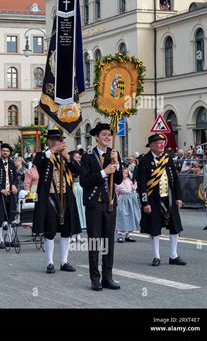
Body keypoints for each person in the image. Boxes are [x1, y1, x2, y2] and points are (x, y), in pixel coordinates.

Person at [80, 122, 123, 291]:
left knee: (108, 242)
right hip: (94, 204)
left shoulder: (114, 154)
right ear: (97, 137)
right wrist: (104, 172)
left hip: (110, 203)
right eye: (104, 134)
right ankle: (94, 278)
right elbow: (84, 182)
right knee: (95, 242)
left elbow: (119, 180)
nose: (107, 137)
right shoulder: (88, 157)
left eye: (109, 135)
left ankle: (107, 276)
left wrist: (117, 164)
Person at [33, 129, 82, 273]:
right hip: (49, 197)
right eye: (53, 140)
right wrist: (53, 150)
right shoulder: (44, 156)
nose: (57, 142)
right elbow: (38, 161)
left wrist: (67, 157)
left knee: (67, 230)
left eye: (58, 140)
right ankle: (49, 262)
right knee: (50, 229)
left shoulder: (66, 157)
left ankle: (64, 261)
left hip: (66, 196)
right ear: (48, 141)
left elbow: (79, 170)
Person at [137, 134, 186, 267]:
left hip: (169, 198)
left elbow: (175, 180)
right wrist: (145, 202)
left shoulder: (167, 159)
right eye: (159, 143)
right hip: (153, 199)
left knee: (175, 227)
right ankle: (156, 256)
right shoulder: (144, 161)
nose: (162, 145)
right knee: (154, 227)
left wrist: (179, 198)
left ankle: (173, 255)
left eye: (163, 142)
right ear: (151, 145)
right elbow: (141, 184)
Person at [0, 143, 18, 249]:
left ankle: (9, 238)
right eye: (3, 150)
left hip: (10, 194)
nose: (5, 152)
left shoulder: (12, 163)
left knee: (10, 217)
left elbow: (15, 177)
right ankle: (0, 240)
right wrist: (0, 189)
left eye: (7, 151)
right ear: (1, 152)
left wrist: (14, 185)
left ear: (10, 153)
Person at [115, 167, 140, 243]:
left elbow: (132, 188)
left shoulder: (129, 181)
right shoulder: (118, 182)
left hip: (130, 199)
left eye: (127, 173)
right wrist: (116, 201)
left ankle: (127, 235)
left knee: (130, 217)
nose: (126, 174)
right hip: (122, 200)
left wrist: (135, 185)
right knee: (122, 217)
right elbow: (116, 192)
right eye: (124, 173)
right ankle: (120, 235)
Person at [70, 150, 86, 241]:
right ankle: (72, 234)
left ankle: (79, 233)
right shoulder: (70, 166)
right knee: (74, 211)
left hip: (80, 187)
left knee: (81, 210)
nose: (79, 158)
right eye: (77, 157)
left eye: (79, 157)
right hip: (73, 187)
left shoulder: (81, 166)